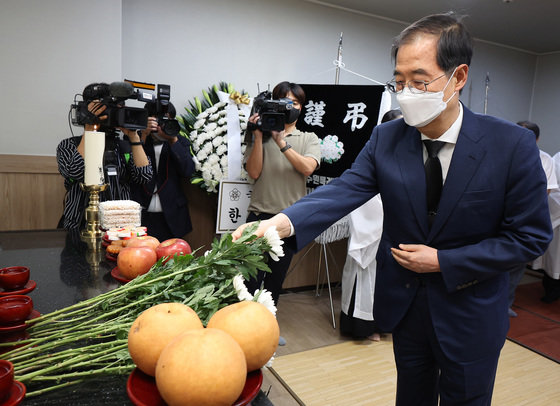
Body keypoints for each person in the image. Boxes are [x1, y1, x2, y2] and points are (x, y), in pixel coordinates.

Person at [233, 13, 552, 405]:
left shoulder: (510, 145)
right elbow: (346, 189)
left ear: (459, 77)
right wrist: (279, 223)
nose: (406, 93)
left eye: (420, 82)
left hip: (471, 312)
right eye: (399, 82)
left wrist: (445, 261)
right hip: (407, 308)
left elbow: (530, 237)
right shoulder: (388, 137)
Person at [243, 81, 321, 309]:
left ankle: (269, 329)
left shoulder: (309, 138)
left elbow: (307, 168)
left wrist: (281, 142)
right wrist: (259, 137)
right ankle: (245, 331)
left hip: (289, 221)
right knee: (250, 279)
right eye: (284, 101)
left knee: (275, 281)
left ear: (301, 107)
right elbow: (254, 172)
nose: (289, 106)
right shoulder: (260, 135)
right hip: (258, 216)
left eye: (294, 102)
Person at [340, 109, 402, 342]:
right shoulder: (374, 153)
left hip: (396, 231)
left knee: (389, 281)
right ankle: (363, 327)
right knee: (365, 276)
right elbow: (364, 194)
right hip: (373, 226)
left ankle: (385, 324)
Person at [57, 91, 153, 230]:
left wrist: (134, 137)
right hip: (80, 225)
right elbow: (74, 172)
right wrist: (89, 127)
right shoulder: (69, 145)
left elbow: (144, 176)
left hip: (120, 228)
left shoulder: (125, 146)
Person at [507, 121, 558, 315]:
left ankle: (506, 304)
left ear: (536, 139)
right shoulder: (502, 152)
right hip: (500, 214)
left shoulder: (545, 159)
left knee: (517, 265)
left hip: (525, 216)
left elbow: (546, 190)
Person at [130, 102, 195, 242]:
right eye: (158, 121)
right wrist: (143, 136)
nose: (161, 125)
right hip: (141, 214)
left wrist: (173, 139)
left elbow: (188, 170)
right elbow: (130, 172)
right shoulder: (134, 139)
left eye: (167, 121)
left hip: (172, 215)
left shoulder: (180, 142)